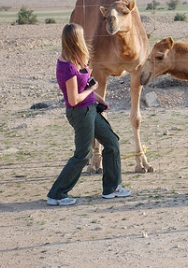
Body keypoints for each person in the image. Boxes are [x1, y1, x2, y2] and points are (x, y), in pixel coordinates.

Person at [47, 23, 131, 206]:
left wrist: (99, 98)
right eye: (81, 36)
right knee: (82, 155)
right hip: (80, 113)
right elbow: (74, 99)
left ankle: (112, 188)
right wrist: (92, 90)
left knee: (112, 142)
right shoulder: (66, 67)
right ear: (75, 39)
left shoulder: (77, 59)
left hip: (91, 108)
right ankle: (57, 194)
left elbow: (86, 86)